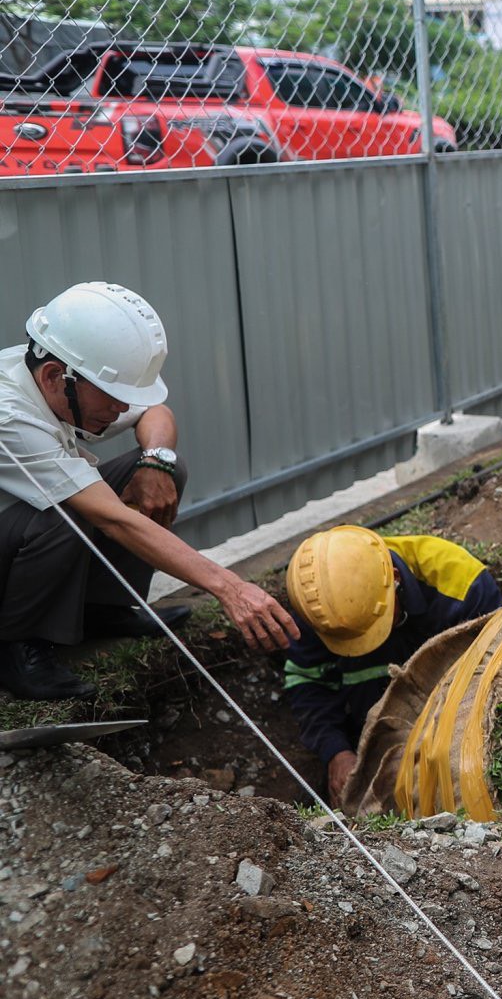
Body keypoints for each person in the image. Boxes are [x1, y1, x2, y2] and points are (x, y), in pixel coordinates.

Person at [0, 282, 297, 701]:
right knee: (72, 509)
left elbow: (156, 411)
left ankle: (102, 610)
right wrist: (230, 587)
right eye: (114, 398)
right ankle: (17, 647)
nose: (122, 410)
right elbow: (111, 516)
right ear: (54, 377)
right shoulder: (8, 415)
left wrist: (156, 460)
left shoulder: (59, 372)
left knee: (160, 469)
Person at [283, 525, 502, 798]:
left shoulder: (461, 586)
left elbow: (491, 682)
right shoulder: (317, 608)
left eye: (372, 626)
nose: (364, 644)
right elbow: (308, 682)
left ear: (395, 579)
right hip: (367, 747)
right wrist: (335, 751)